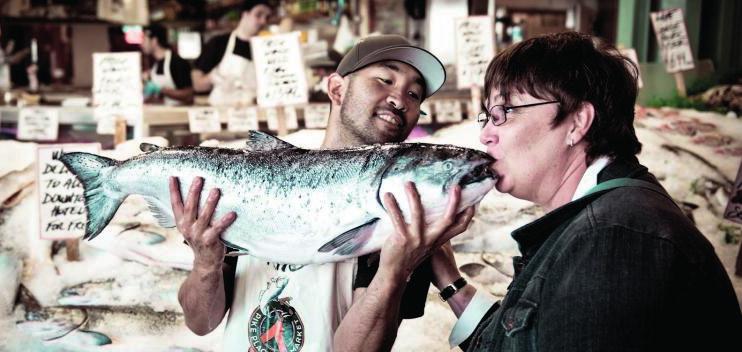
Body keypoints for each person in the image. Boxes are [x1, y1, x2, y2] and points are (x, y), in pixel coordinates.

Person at [425, 31, 742, 351]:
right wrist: (447, 275)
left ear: (577, 122)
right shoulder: (605, 220)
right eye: (487, 117)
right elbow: (518, 340)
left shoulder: (612, 240)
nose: (485, 135)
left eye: (503, 113)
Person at [170, 34, 477, 351]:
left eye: (414, 94)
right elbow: (201, 323)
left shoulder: (407, 216)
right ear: (336, 89)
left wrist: (397, 268)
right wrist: (206, 264)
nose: (400, 99)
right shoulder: (256, 185)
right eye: (385, 80)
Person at [192, 0, 272, 106]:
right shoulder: (218, 43)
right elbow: (197, 84)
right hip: (222, 114)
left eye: (267, 18)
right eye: (258, 15)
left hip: (254, 115)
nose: (263, 21)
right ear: (245, 14)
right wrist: (213, 78)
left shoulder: (266, 48)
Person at [141, 24, 194, 105]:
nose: (141, 44)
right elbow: (162, 100)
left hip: (179, 115)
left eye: (144, 40)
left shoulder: (177, 62)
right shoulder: (156, 64)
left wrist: (160, 90)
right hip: (163, 114)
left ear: (154, 41)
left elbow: (189, 95)